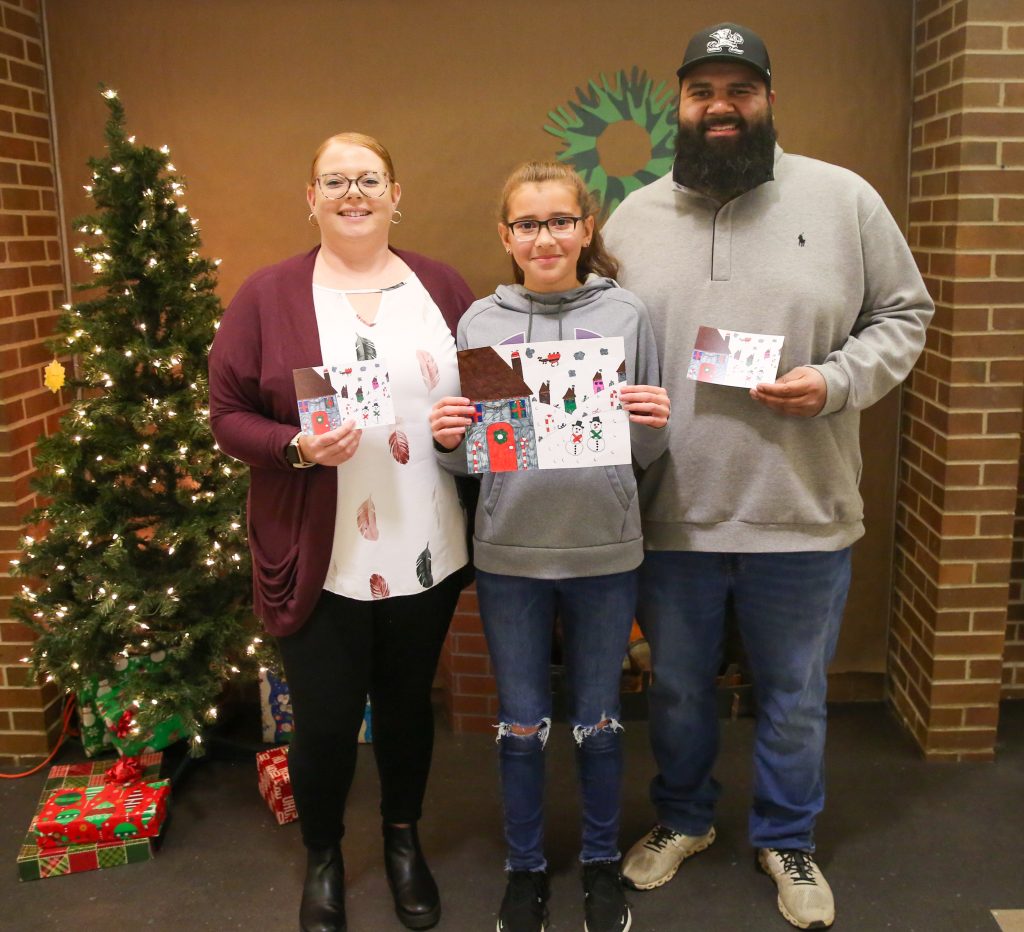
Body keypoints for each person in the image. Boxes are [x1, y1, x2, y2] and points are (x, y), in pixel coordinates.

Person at [602, 22, 934, 931]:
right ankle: (685, 818)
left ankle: (788, 835)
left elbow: (904, 314)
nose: (720, 107)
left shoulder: (844, 200)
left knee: (794, 696)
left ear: (768, 101)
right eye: (702, 91)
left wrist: (835, 382)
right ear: (680, 104)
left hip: (803, 510)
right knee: (674, 688)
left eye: (738, 90)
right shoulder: (631, 216)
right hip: (674, 515)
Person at [209, 132, 474, 932]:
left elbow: (491, 393)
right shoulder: (268, 295)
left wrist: (469, 429)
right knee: (323, 721)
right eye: (335, 180)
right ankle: (323, 854)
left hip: (425, 545)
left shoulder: (443, 287)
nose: (352, 193)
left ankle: (402, 840)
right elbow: (226, 415)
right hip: (322, 550)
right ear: (311, 197)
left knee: (404, 709)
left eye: (368, 178)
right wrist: (291, 446)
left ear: (397, 193)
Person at [430, 161, 671, 932]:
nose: (545, 237)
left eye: (560, 221)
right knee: (523, 723)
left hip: (605, 546)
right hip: (512, 550)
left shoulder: (628, 314)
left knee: (600, 720)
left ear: (586, 228)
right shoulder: (480, 323)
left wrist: (653, 420)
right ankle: (525, 868)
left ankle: (600, 863)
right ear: (506, 236)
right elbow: (482, 453)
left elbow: (646, 450)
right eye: (528, 225)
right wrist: (447, 443)